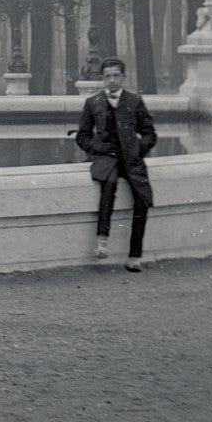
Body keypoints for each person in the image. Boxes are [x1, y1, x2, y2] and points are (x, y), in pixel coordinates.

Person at [75, 56, 157, 271]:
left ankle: (135, 255)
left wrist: (139, 149)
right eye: (107, 76)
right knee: (108, 184)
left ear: (123, 77)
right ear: (102, 79)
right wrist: (98, 148)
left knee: (142, 199)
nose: (112, 80)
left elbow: (149, 133)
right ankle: (102, 239)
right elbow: (82, 137)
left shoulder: (134, 101)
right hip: (106, 158)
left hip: (131, 159)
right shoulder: (93, 103)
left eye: (116, 75)